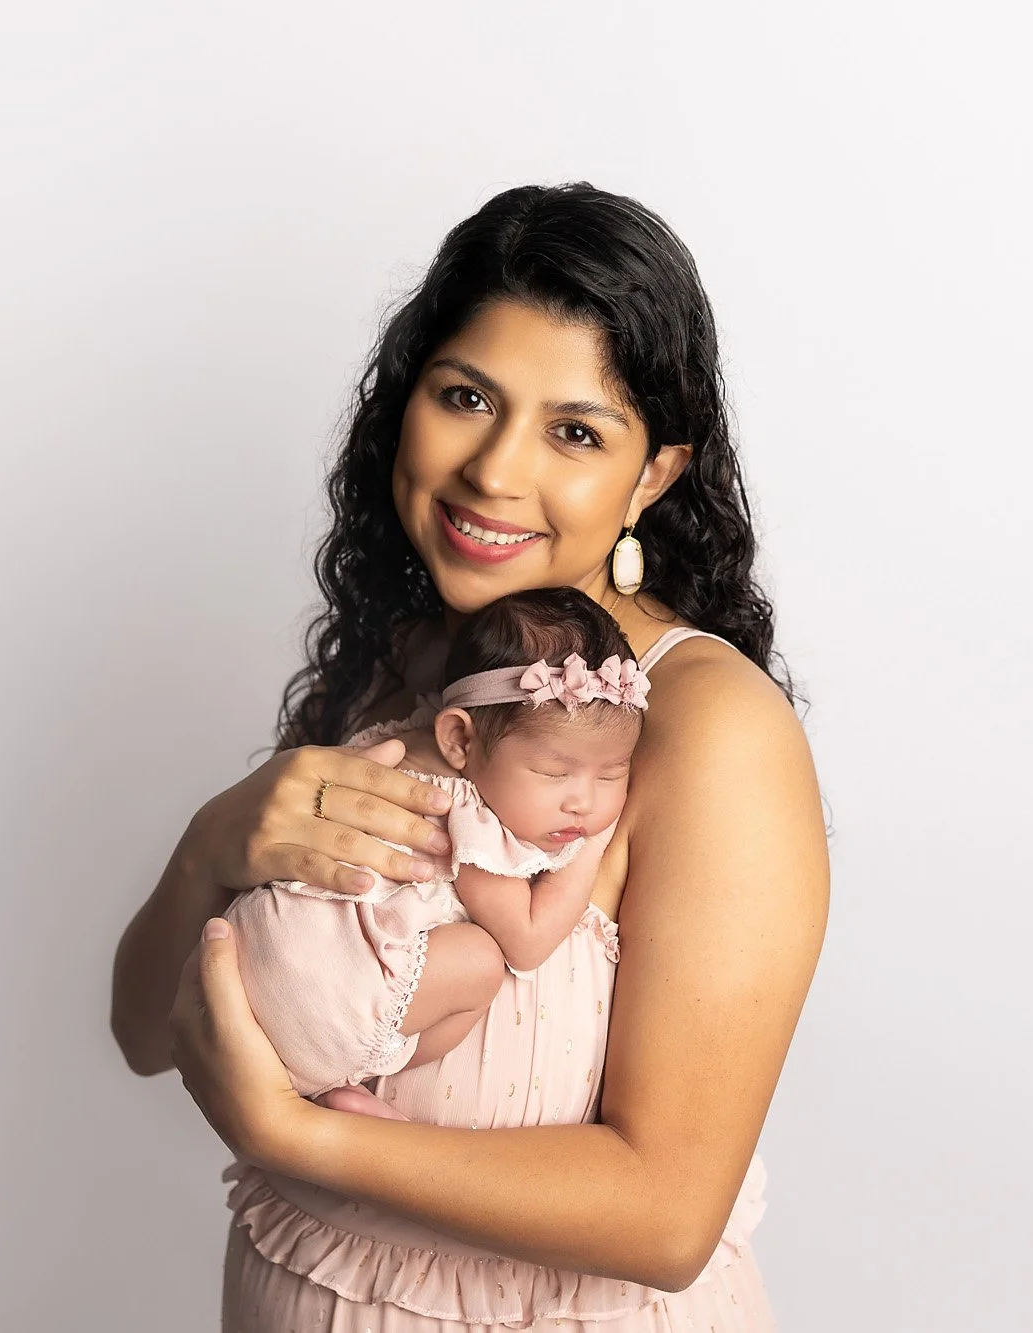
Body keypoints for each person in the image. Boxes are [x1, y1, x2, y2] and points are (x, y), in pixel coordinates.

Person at [109, 182, 829, 1331]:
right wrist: (211, 843)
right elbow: (149, 1031)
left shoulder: (708, 729)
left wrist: (296, 1136)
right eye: (464, 396)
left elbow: (667, 1215)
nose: (494, 470)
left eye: (575, 431)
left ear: (653, 476)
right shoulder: (407, 670)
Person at [226, 587, 650, 1112]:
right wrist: (597, 841)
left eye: (613, 774)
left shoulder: (397, 736)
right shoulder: (453, 807)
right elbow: (528, 940)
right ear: (460, 740)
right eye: (553, 773)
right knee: (483, 963)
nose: (582, 803)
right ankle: (352, 1086)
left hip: (249, 964)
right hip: (319, 998)